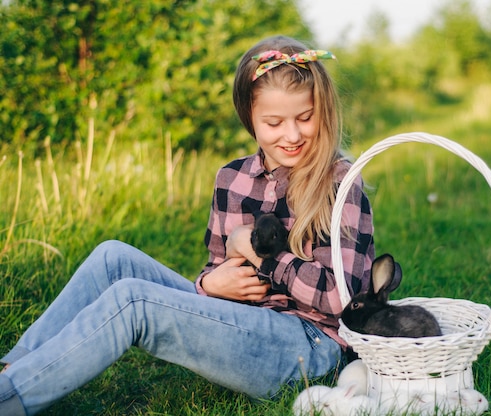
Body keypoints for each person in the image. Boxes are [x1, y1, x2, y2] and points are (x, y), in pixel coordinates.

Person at [0, 35, 375, 415]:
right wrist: (208, 283)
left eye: (305, 118)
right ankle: (14, 371)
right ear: (250, 117)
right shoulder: (233, 179)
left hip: (311, 346)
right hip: (246, 322)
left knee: (133, 300)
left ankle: (8, 401)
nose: (292, 135)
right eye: (274, 122)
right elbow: (213, 273)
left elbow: (340, 301)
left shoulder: (340, 183)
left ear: (322, 112)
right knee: (112, 258)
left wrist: (259, 254)